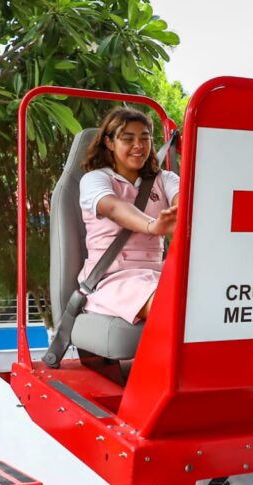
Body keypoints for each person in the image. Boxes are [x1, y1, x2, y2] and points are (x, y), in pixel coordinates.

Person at [78, 106, 179, 324]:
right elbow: (114, 208)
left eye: (145, 138)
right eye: (128, 138)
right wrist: (154, 226)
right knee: (172, 305)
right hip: (112, 279)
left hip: (158, 274)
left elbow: (186, 204)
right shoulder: (95, 179)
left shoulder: (165, 179)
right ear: (110, 142)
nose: (138, 146)